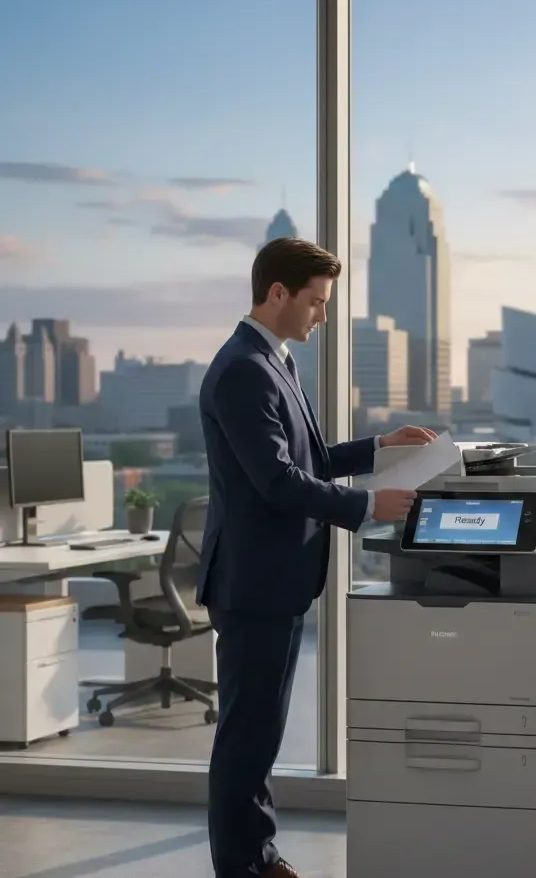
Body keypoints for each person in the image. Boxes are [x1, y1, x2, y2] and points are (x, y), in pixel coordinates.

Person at [197, 236, 436, 878]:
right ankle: (244, 868)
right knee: (246, 740)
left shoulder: (273, 360)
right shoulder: (244, 369)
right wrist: (365, 508)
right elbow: (276, 482)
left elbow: (311, 457)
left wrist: (377, 446)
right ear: (278, 293)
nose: (322, 316)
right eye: (317, 301)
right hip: (253, 584)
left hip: (275, 581)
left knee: (260, 737)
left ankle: (259, 854)